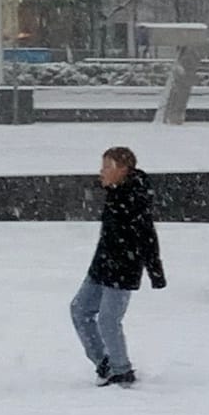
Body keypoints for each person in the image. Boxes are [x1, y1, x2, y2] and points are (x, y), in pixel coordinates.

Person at [71, 146, 166, 388]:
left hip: (123, 268)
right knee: (80, 309)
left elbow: (147, 236)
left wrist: (155, 271)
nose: (101, 172)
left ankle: (121, 370)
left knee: (108, 320)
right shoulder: (116, 191)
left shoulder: (135, 197)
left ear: (122, 170)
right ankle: (104, 363)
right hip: (101, 264)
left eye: (106, 167)